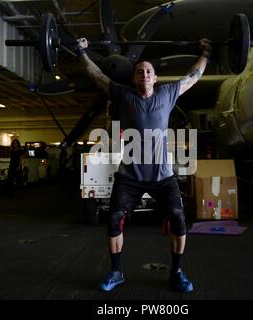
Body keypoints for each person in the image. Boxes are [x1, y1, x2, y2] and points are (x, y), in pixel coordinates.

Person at [76, 37, 212, 293]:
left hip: (163, 176)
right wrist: (82, 52)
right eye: (140, 71)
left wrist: (206, 53)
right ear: (135, 77)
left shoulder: (167, 93)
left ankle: (176, 271)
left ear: (155, 77)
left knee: (178, 218)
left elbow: (193, 77)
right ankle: (116, 271)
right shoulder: (122, 94)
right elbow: (96, 75)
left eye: (149, 71)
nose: (144, 74)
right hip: (130, 176)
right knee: (114, 218)